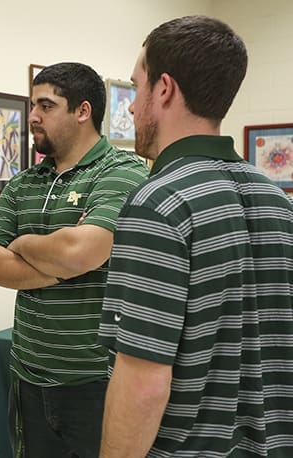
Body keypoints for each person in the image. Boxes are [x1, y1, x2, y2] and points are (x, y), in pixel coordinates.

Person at [98, 15, 293, 457]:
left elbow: (143, 383)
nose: (130, 107)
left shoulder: (158, 205)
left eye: (136, 88)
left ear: (163, 89)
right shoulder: (276, 200)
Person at [0, 62, 148, 457]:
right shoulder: (24, 182)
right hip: (29, 377)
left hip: (97, 382)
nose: (32, 116)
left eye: (46, 106)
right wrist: (60, 268)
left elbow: (81, 251)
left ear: (82, 111)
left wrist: (21, 241)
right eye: (33, 105)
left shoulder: (123, 172)